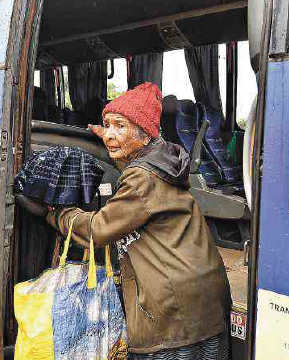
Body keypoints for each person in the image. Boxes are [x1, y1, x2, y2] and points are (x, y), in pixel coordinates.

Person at [25, 83, 231, 359]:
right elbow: (137, 167)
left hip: (174, 311)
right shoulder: (162, 162)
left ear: (144, 135)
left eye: (120, 127)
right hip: (202, 297)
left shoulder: (141, 179)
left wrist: (55, 214)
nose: (110, 134)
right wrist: (114, 138)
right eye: (106, 125)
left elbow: (98, 230)